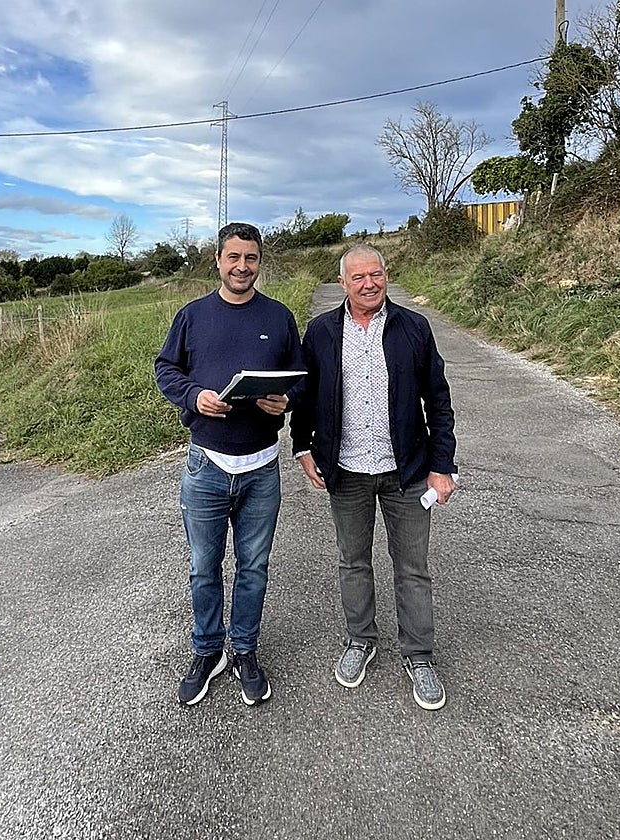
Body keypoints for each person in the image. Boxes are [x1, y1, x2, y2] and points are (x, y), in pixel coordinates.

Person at [289, 243, 458, 710]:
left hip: (408, 473)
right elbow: (305, 396)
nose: (370, 284)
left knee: (412, 567)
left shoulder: (414, 328)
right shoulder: (322, 332)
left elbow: (438, 402)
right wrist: (302, 447)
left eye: (377, 274)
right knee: (353, 562)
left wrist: (443, 466)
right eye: (359, 277)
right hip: (346, 471)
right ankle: (360, 640)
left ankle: (418, 655)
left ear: (386, 275)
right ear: (342, 283)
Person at [155, 222, 304, 707]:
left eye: (252, 258)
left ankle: (244, 651)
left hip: (262, 467)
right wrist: (195, 396)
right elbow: (166, 368)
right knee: (204, 567)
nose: (243, 266)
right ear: (217, 260)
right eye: (234, 257)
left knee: (254, 568)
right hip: (207, 466)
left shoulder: (279, 317)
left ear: (261, 262)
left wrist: (285, 401)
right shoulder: (192, 316)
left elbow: (301, 379)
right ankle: (206, 651)